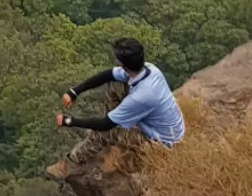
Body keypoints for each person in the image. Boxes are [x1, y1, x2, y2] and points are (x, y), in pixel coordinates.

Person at [54, 38, 185, 160]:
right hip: (166, 125)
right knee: (116, 84)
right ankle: (111, 117)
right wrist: (74, 92)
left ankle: (76, 158)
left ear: (123, 65)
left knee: (106, 132)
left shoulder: (140, 97)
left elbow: (105, 125)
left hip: (162, 142)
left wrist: (69, 121)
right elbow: (109, 75)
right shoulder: (150, 69)